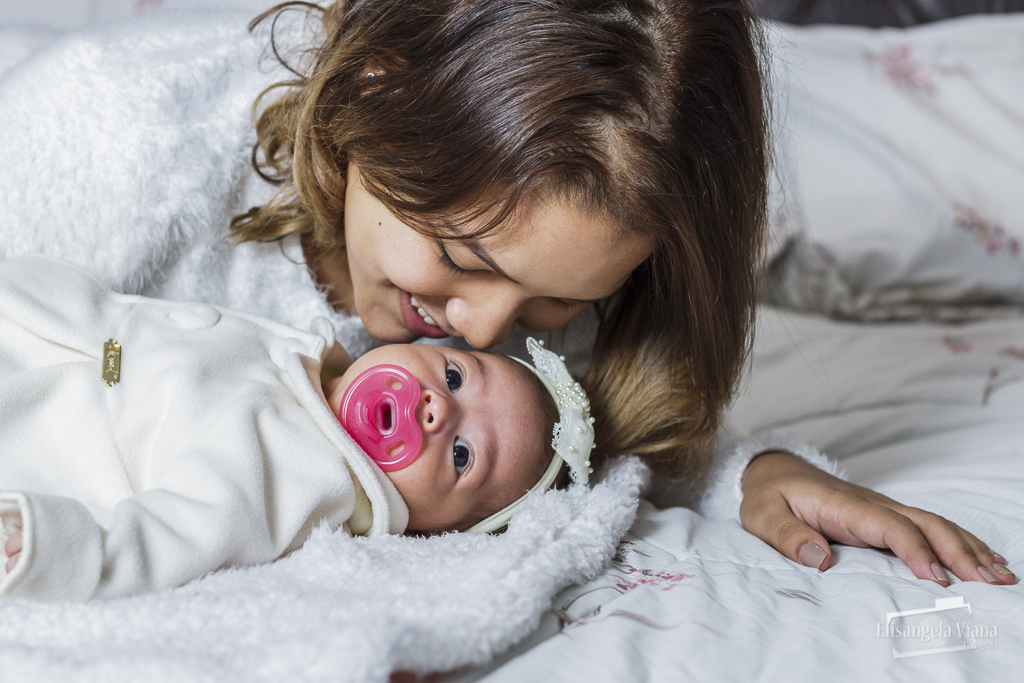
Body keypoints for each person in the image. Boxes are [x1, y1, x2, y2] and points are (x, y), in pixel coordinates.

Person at [223, 0, 1013, 587]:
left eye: (557, 302)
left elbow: (619, 430)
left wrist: (758, 471)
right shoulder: (171, 171)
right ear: (379, 89)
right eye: (459, 255)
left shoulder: (575, 296)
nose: (485, 330)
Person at [0, 256, 590, 600]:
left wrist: (57, 549)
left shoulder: (304, 480)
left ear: (436, 532)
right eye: (456, 376)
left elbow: (174, 539)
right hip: (61, 340)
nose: (439, 410)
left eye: (463, 456)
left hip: (48, 435)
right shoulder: (307, 362)